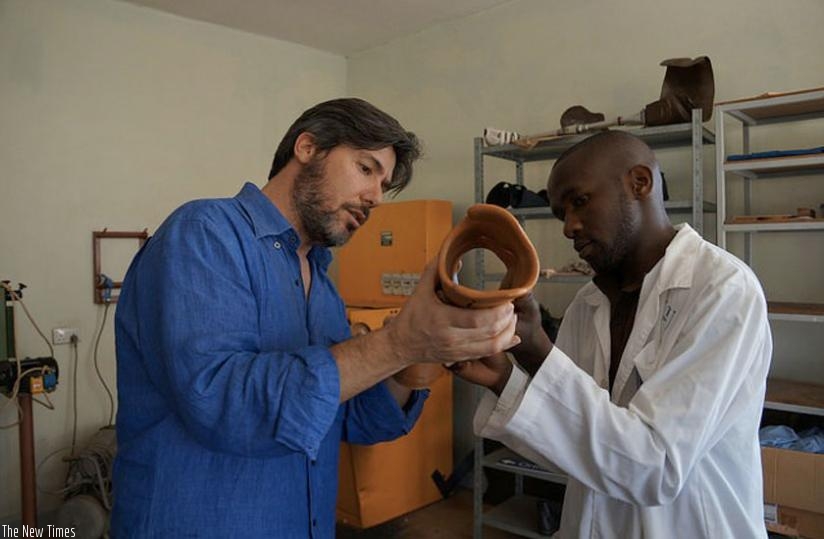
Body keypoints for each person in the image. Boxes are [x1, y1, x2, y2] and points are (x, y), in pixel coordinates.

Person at [111, 98, 519, 537]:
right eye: (366, 169)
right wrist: (398, 342)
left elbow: (354, 421)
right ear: (307, 148)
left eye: (384, 184)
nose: (376, 197)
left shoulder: (322, 284)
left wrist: (411, 367)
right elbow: (224, 403)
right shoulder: (205, 232)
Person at [452, 131, 772, 538]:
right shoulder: (589, 304)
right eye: (559, 213)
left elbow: (655, 467)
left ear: (640, 182)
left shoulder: (722, 290)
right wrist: (500, 376)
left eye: (579, 201)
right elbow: (577, 446)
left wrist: (537, 354)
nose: (569, 227)